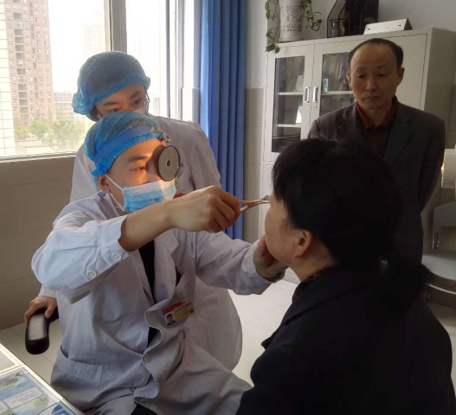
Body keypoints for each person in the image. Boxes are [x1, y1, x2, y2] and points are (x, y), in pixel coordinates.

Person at [32, 111, 286, 414]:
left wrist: (265, 258)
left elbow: (230, 262)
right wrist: (165, 215)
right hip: (103, 382)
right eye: (140, 167)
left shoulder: (179, 221)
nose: (155, 177)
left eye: (161, 163)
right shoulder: (82, 218)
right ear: (104, 182)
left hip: (175, 368)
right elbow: (52, 267)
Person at [24, 51, 243, 371]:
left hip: (190, 276)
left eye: (136, 100)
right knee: (145, 364)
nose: (128, 113)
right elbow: (80, 226)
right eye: (113, 109)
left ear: (147, 93)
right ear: (95, 114)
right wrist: (53, 289)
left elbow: (212, 202)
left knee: (205, 367)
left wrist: (214, 249)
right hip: (128, 273)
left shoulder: (187, 135)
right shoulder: (92, 154)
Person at [236, 139, 455, 415]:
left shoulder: (294, 358)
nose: (267, 204)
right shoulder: (401, 290)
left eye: (273, 201)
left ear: (302, 240)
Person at [308, 38, 445, 262]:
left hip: (402, 245)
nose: (371, 86)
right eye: (361, 76)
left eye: (381, 74)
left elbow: (423, 190)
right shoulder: (325, 128)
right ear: (349, 78)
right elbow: (316, 192)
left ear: (399, 75)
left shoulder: (429, 128)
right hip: (341, 246)